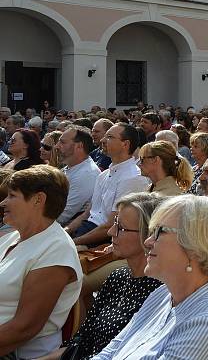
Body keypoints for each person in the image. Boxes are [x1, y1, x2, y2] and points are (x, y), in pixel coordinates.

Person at [92, 194, 208, 359]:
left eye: (159, 232)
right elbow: (112, 351)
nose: (148, 241)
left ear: (196, 247)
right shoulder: (164, 294)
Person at [41, 193, 165, 360]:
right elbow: (80, 342)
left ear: (148, 236)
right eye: (114, 224)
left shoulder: (161, 293)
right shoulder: (118, 277)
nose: (110, 231)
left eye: (121, 228)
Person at [0, 165, 82, 358]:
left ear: (38, 200)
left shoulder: (56, 250)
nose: (3, 202)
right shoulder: (11, 238)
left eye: (12, 196)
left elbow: (23, 329)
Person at [67, 123, 149, 246]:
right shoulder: (103, 175)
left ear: (125, 144)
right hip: (87, 231)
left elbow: (111, 226)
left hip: (104, 240)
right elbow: (87, 214)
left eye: (110, 137)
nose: (102, 140)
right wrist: (66, 231)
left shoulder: (133, 178)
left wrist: (72, 243)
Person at [55, 126, 101, 226]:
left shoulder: (87, 174)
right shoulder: (70, 168)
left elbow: (62, 215)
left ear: (79, 146)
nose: (56, 146)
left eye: (62, 142)